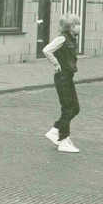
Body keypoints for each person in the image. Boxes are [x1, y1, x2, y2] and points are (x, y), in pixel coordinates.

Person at [43, 13, 82, 153]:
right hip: (62, 77)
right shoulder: (62, 39)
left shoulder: (71, 39)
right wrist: (56, 64)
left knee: (75, 108)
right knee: (68, 108)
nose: (79, 26)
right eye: (77, 24)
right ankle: (63, 140)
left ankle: (55, 130)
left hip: (68, 76)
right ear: (71, 26)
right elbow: (47, 50)